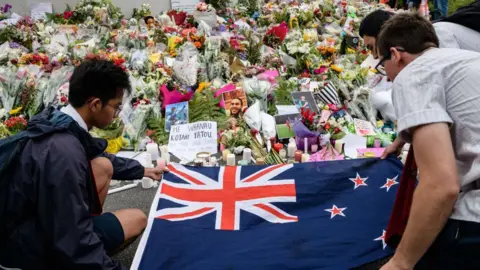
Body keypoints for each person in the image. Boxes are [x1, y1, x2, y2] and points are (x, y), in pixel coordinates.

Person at [0, 60, 165, 269]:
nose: (116, 115)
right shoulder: (63, 154)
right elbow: (73, 239)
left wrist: (143, 170)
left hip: (27, 228)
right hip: (25, 253)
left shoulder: (57, 120)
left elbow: (100, 156)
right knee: (136, 219)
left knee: (103, 165)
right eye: (116, 106)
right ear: (95, 104)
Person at [375, 12, 480, 269]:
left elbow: (441, 185)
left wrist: (401, 261)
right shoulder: (467, 59)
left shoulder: (414, 73)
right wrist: (404, 135)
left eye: (382, 64)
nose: (387, 77)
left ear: (396, 54)